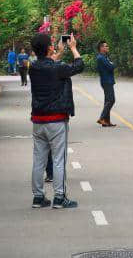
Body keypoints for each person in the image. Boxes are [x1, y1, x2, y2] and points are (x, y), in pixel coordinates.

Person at [29, 33, 84, 209]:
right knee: (58, 159)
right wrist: (73, 48)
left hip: (38, 120)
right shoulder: (57, 68)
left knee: (39, 159)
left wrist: (58, 51)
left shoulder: (33, 67)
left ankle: (38, 197)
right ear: (49, 48)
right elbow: (79, 65)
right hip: (56, 120)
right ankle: (59, 197)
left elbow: (49, 63)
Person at [96, 41, 117, 127]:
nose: (107, 47)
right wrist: (112, 64)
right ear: (101, 48)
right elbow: (110, 67)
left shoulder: (104, 57)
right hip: (106, 81)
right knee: (111, 100)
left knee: (107, 101)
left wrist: (111, 64)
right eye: (106, 46)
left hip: (108, 80)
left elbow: (110, 66)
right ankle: (101, 118)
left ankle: (106, 121)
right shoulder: (101, 58)